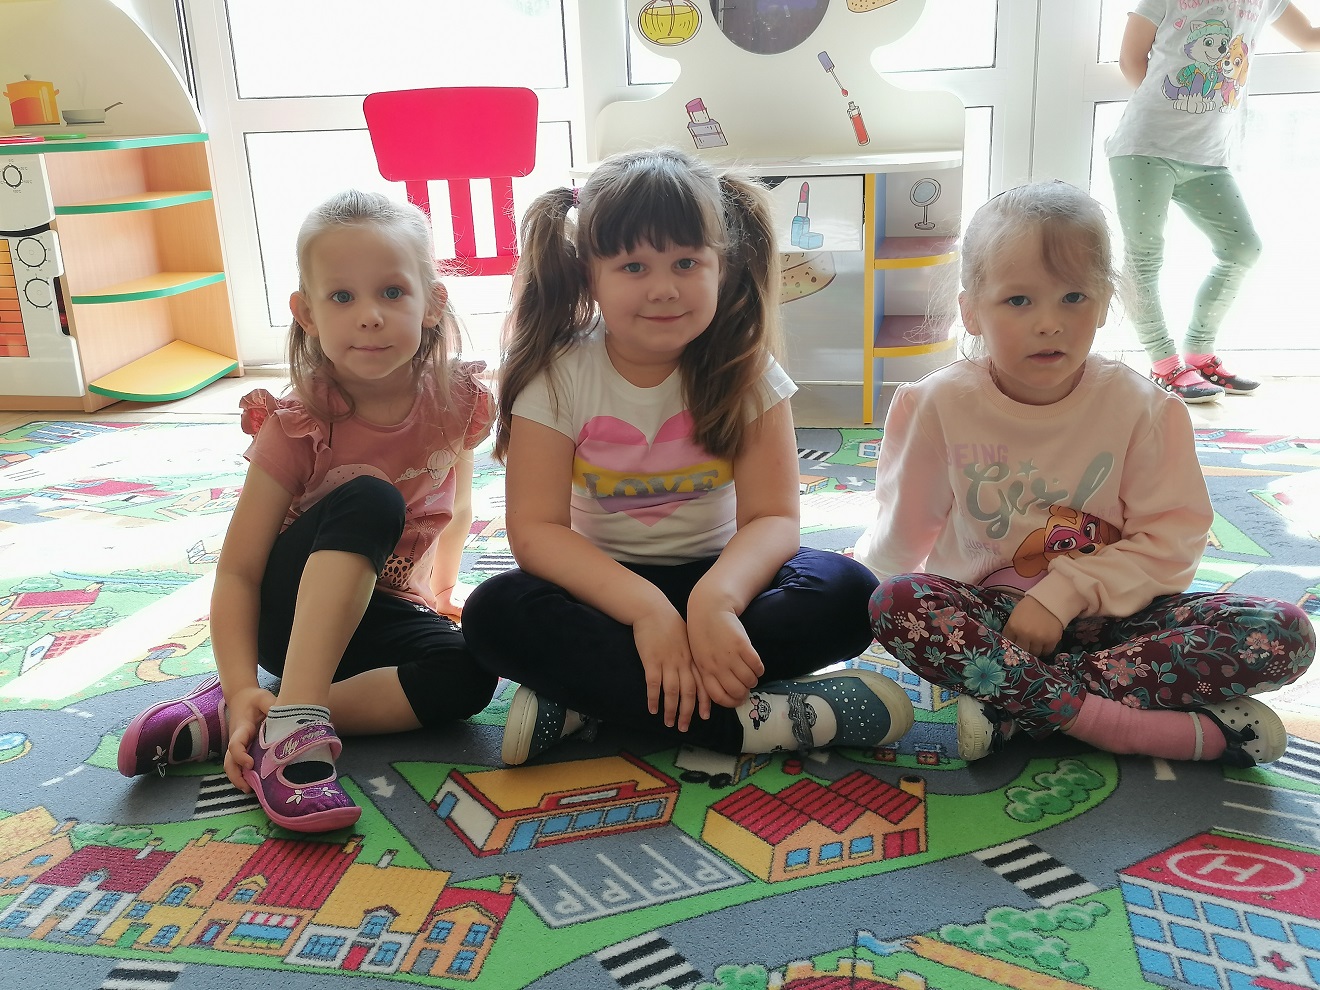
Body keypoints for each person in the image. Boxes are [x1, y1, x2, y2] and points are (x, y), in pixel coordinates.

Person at [461, 147, 911, 765]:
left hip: (728, 580)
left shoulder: (745, 369)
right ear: (588, 274)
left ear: (721, 267)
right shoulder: (557, 376)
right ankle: (759, 722)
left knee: (851, 593)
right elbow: (537, 532)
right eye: (633, 266)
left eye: (686, 262)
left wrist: (714, 600)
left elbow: (773, 518)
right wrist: (647, 612)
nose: (664, 288)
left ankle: (591, 698)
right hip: (604, 592)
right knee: (492, 614)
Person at [858, 181, 1315, 767]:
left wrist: (1063, 594)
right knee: (896, 601)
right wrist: (857, 591)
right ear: (970, 311)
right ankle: (1128, 721)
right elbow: (902, 531)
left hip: (1120, 622)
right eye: (1018, 301)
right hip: (991, 624)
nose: (1050, 323)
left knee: (1282, 632)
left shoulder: (1145, 409)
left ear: (1103, 304)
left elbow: (1171, 543)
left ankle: (1021, 705)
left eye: (1073, 297)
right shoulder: (935, 404)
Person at [118, 189, 497, 831]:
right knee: (372, 498)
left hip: (375, 612)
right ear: (308, 313)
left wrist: (441, 594)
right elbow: (239, 571)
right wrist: (241, 681)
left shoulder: (458, 400)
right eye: (342, 297)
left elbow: (454, 508)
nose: (369, 316)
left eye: (392, 292)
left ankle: (259, 718)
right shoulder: (299, 422)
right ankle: (288, 722)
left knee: (469, 672)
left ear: (433, 303)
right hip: (288, 613)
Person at [1107, 1, 1320, 402]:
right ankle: (1164, 364)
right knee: (1144, 257)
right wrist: (1173, 108)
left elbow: (1309, 36)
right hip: (1144, 147)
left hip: (1208, 158)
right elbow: (1130, 59)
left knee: (1243, 248)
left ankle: (1200, 354)